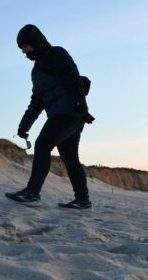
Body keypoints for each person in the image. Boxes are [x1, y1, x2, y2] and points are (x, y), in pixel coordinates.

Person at [5, 24, 93, 209]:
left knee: (43, 144)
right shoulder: (36, 71)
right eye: (21, 48)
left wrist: (81, 106)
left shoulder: (57, 54)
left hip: (70, 112)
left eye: (25, 46)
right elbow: (36, 101)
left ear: (34, 42)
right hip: (61, 114)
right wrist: (24, 126)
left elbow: (74, 79)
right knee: (69, 157)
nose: (23, 51)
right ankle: (83, 200)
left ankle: (32, 192)